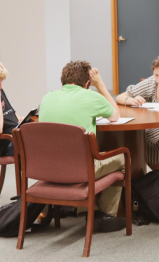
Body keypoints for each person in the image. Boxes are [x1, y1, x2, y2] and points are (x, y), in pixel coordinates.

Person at [38, 60, 125, 232]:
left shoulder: (47, 98)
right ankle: (104, 216)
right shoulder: (91, 96)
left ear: (62, 80)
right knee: (122, 158)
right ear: (87, 84)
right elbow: (116, 115)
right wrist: (100, 85)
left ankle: (86, 209)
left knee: (81, 155)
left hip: (48, 169)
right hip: (80, 170)